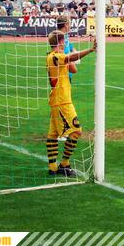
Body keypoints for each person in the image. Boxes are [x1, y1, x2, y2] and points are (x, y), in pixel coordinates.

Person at [46, 30, 96, 176]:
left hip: (58, 100)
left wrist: (68, 57)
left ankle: (52, 167)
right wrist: (91, 49)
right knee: (76, 131)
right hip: (62, 102)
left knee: (53, 134)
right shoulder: (54, 56)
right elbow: (71, 58)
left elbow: (74, 70)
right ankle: (64, 164)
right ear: (61, 42)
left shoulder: (58, 56)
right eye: (65, 41)